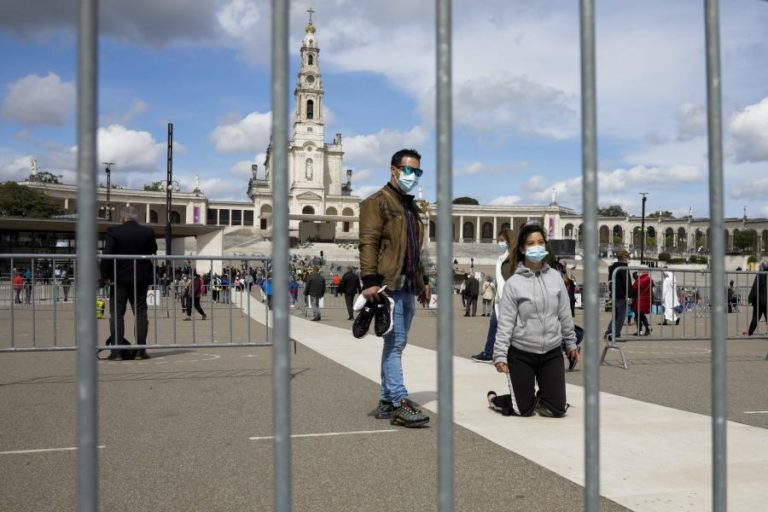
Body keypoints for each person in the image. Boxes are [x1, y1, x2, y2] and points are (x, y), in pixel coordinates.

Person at [359, 148, 429, 428]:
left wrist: (423, 283)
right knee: (396, 343)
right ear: (394, 169)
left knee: (395, 343)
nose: (413, 176)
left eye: (417, 172)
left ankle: (386, 401)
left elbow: (415, 250)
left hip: (409, 284)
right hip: (389, 283)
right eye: (409, 170)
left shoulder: (410, 207)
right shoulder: (377, 202)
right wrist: (370, 280)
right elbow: (369, 241)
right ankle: (400, 402)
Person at [491, 223, 579, 417]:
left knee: (556, 410)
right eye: (531, 243)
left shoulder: (555, 277)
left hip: (551, 351)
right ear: (522, 248)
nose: (536, 246)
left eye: (540, 242)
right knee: (522, 410)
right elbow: (505, 323)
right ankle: (497, 399)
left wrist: (571, 344)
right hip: (522, 351)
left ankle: (540, 395)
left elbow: (565, 315)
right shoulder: (514, 283)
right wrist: (499, 354)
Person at [100, 206, 158, 360]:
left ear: (122, 217)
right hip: (140, 278)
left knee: (117, 315)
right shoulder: (148, 232)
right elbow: (153, 249)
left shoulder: (113, 231)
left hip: (119, 278)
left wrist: (104, 275)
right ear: (135, 218)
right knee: (140, 313)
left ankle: (117, 351)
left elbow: (107, 254)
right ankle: (140, 350)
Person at [471, 229, 514, 363]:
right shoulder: (502, 258)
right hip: (499, 299)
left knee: (508, 328)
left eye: (502, 240)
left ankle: (497, 353)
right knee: (494, 324)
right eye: (499, 240)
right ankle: (489, 352)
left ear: (509, 240)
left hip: (508, 299)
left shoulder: (513, 258)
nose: (499, 243)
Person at [603, 250, 630, 342]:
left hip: (614, 294)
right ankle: (615, 334)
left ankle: (609, 332)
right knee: (621, 317)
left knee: (615, 316)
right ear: (625, 258)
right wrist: (629, 294)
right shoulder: (623, 268)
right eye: (627, 258)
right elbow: (626, 283)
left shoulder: (612, 268)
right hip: (621, 295)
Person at [747, 260, 768, 336]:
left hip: (759, 301)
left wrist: (750, 298)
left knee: (755, 317)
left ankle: (750, 332)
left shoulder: (760, 275)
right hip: (766, 301)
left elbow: (755, 288)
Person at [630, 271, 653, 336]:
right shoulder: (649, 279)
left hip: (639, 299)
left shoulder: (640, 280)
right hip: (646, 298)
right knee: (641, 314)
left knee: (638, 315)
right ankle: (646, 328)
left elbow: (634, 289)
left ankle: (644, 329)